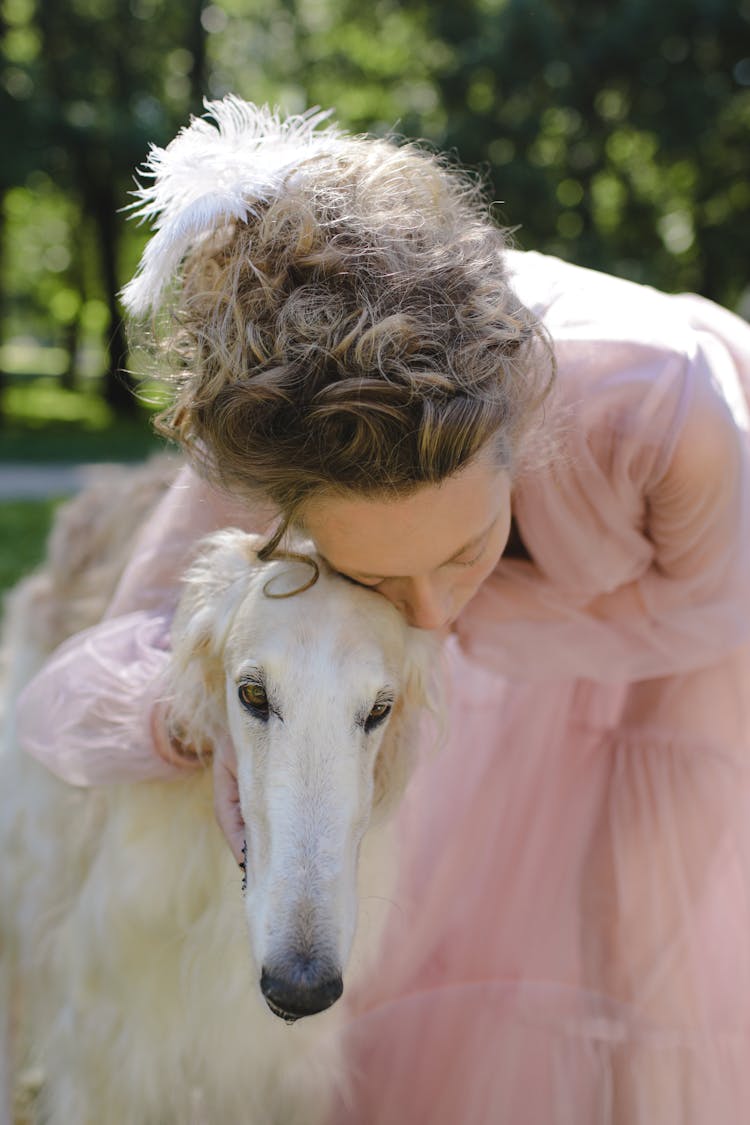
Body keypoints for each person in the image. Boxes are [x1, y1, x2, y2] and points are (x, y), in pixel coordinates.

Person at [15, 97, 750, 1123]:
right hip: (439, 679)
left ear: (514, 441)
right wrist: (193, 713)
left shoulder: (680, 418)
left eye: (461, 550)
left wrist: (457, 635)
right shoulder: (300, 424)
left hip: (685, 651)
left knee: (649, 950)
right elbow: (63, 699)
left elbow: (717, 616)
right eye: (378, 576)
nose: (434, 609)